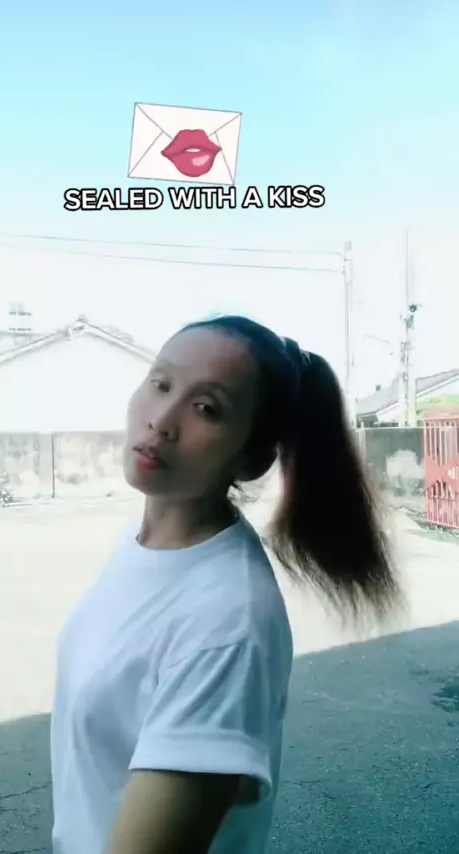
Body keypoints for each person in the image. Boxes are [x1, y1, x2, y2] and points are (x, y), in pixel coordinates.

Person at [50, 314, 401, 854]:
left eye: (206, 408)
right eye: (160, 383)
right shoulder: (145, 545)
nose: (161, 420)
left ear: (251, 459)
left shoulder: (227, 621)